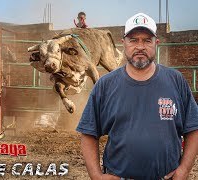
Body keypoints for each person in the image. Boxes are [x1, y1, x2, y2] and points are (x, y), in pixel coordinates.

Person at [76, 12, 198, 180]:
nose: (140, 46)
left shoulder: (176, 81)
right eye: (133, 40)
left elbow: (193, 128)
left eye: (147, 40)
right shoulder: (105, 85)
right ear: (123, 44)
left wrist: (184, 170)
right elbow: (89, 133)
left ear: (156, 43)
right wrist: (96, 176)